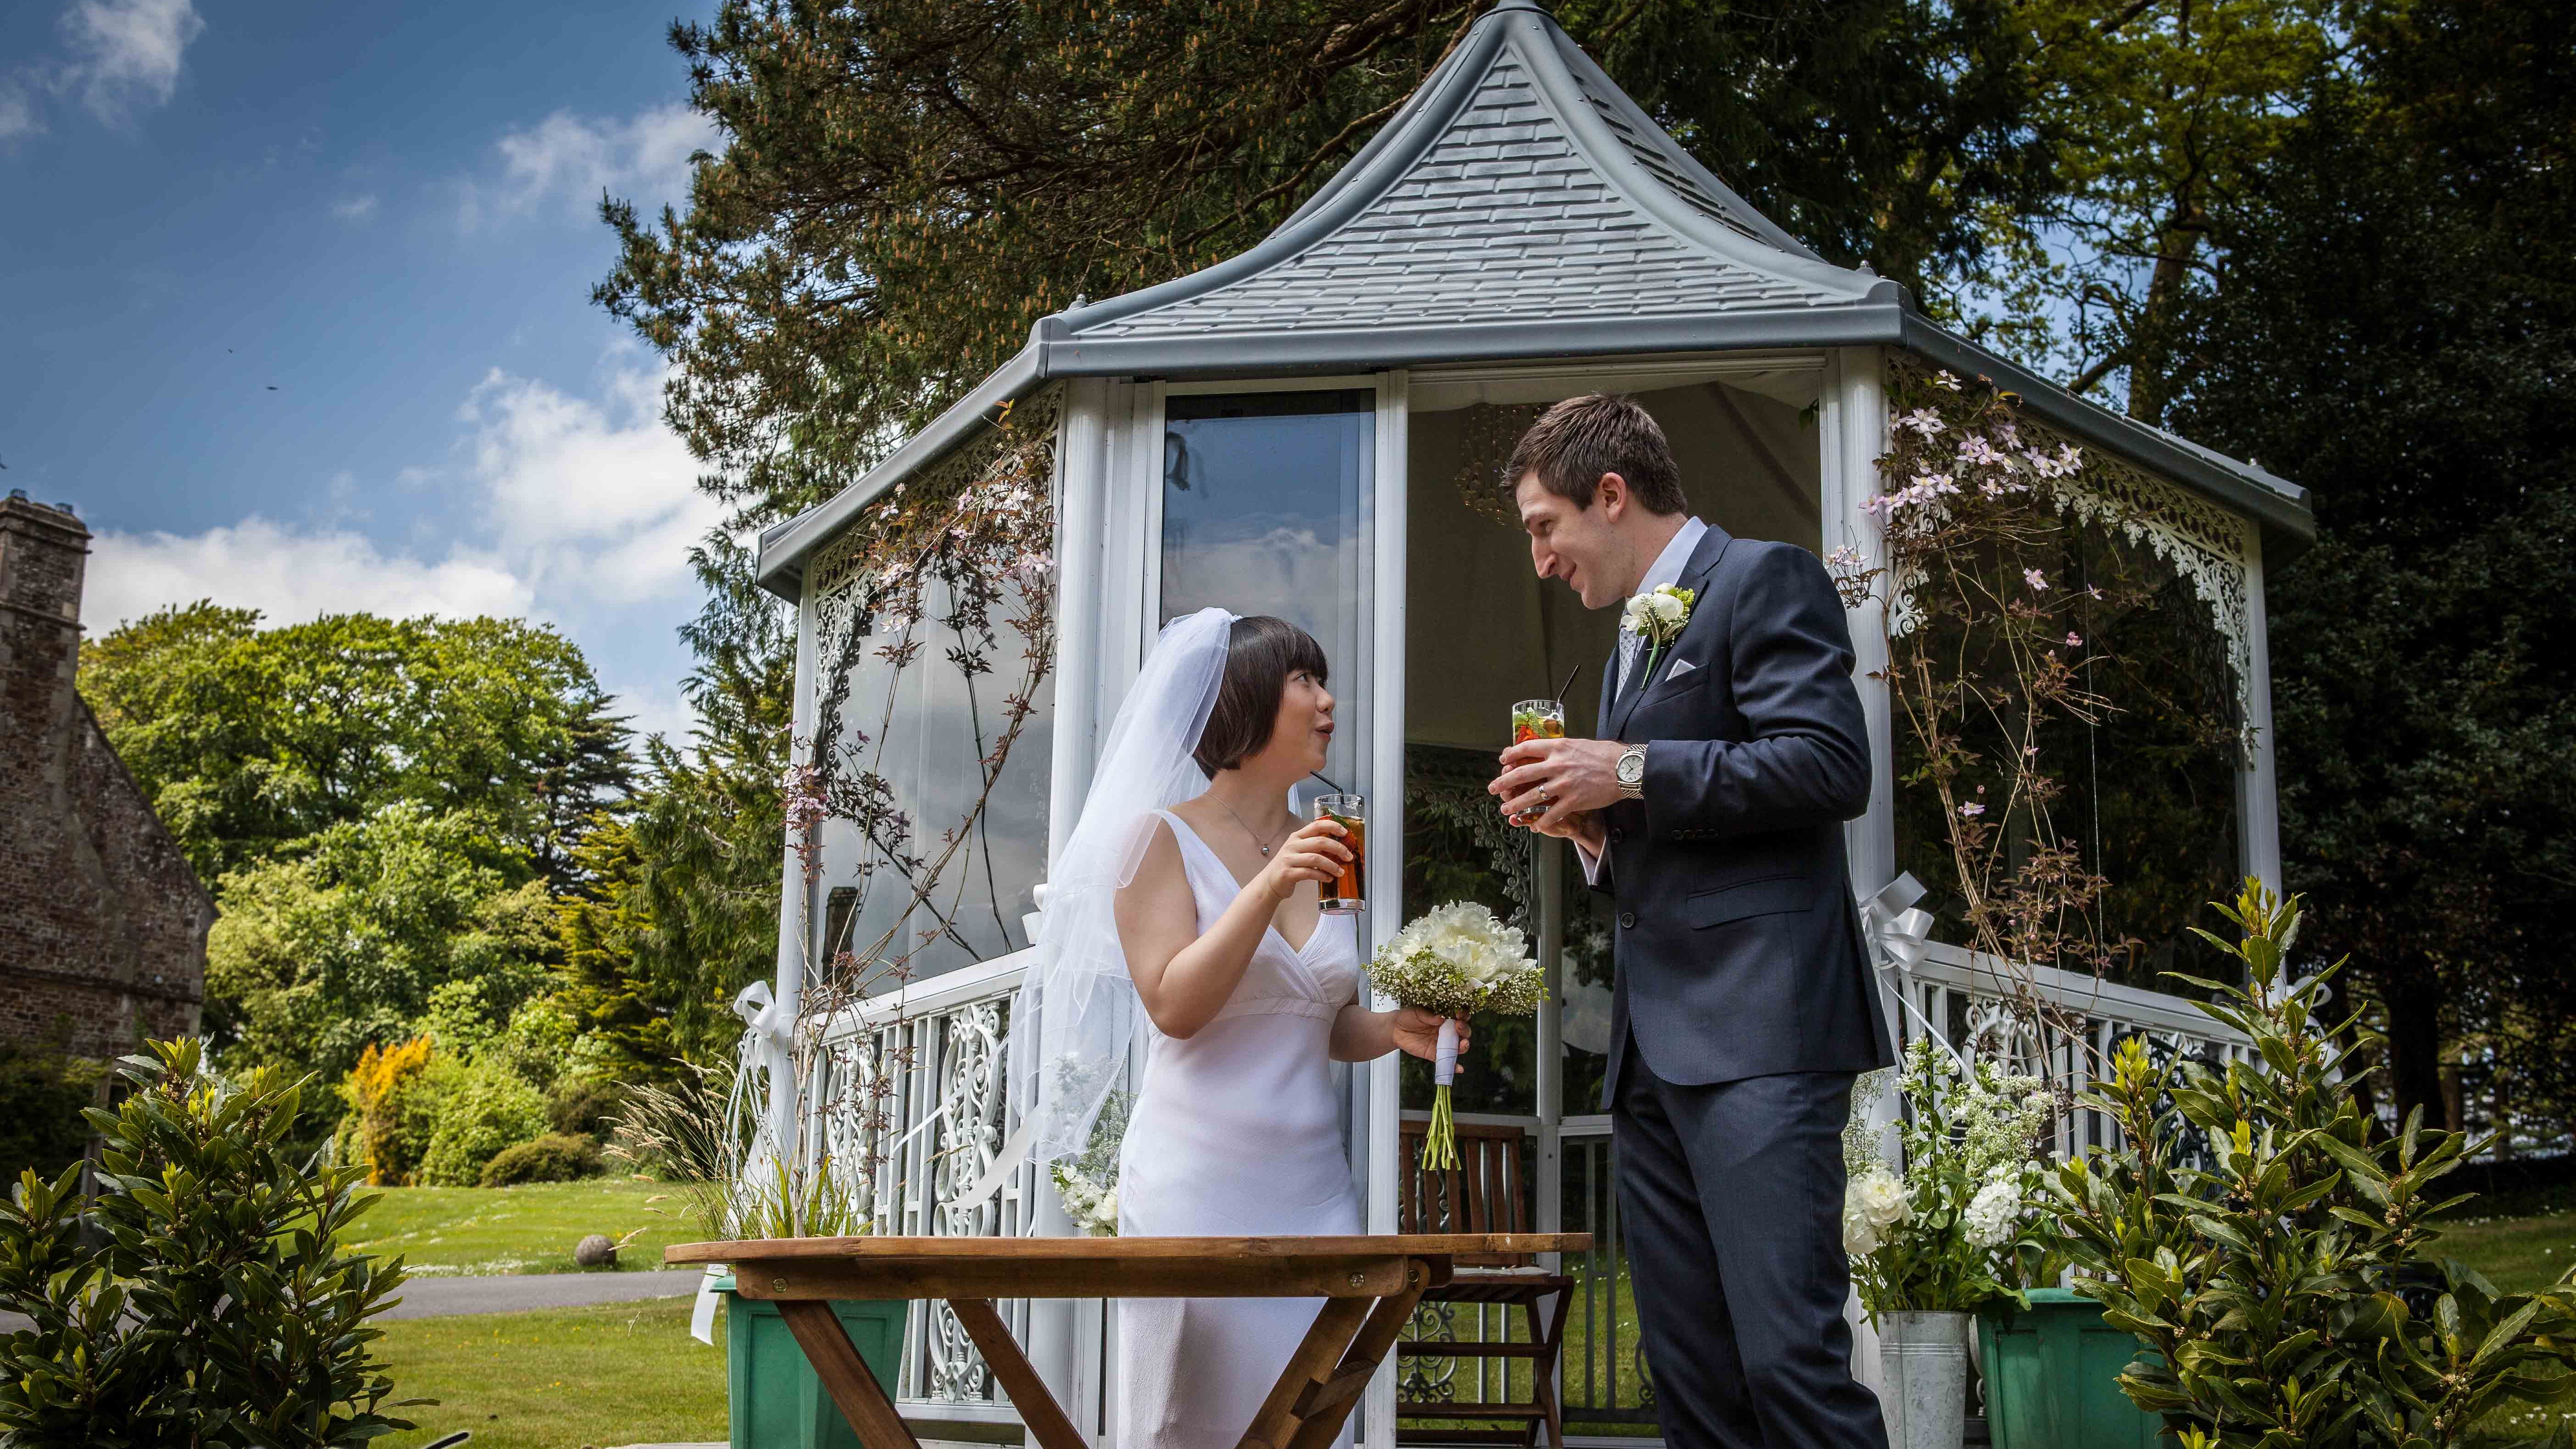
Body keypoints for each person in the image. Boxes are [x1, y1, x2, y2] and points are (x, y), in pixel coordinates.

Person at [1487, 394, 1895, 1449]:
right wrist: (1591, 825)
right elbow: (1675, 827)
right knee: (1690, 1372)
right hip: (1652, 1056)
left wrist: (1621, 766)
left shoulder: (1766, 577)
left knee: (1787, 1360)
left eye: (1546, 526)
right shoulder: (1631, 639)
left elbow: (1829, 763)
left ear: (1611, 495)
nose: (1542, 559)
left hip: (1762, 1029)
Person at [1011, 608, 1463, 1449]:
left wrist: (1392, 1028)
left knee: (1304, 1425)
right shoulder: (1157, 839)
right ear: (1245, 701)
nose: (1329, 701)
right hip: (1198, 1188)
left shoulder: (1337, 844)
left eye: (1324, 682)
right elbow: (1175, 1004)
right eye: (1306, 682)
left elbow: (1315, 1017)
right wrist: (1265, 887)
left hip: (1314, 1190)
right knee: (1186, 1424)